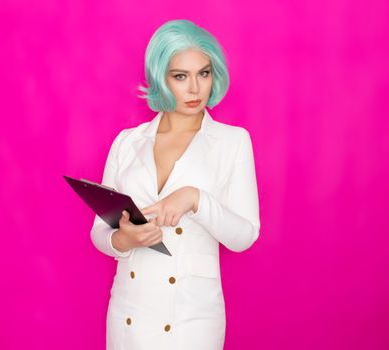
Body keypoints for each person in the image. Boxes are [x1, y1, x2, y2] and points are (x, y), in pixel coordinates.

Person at [90, 19, 261, 350]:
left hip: (192, 319)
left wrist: (195, 200)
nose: (195, 89)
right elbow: (100, 231)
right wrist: (122, 240)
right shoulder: (127, 142)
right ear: (160, 78)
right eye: (180, 76)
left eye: (204, 73)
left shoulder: (232, 142)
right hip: (129, 314)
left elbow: (245, 235)